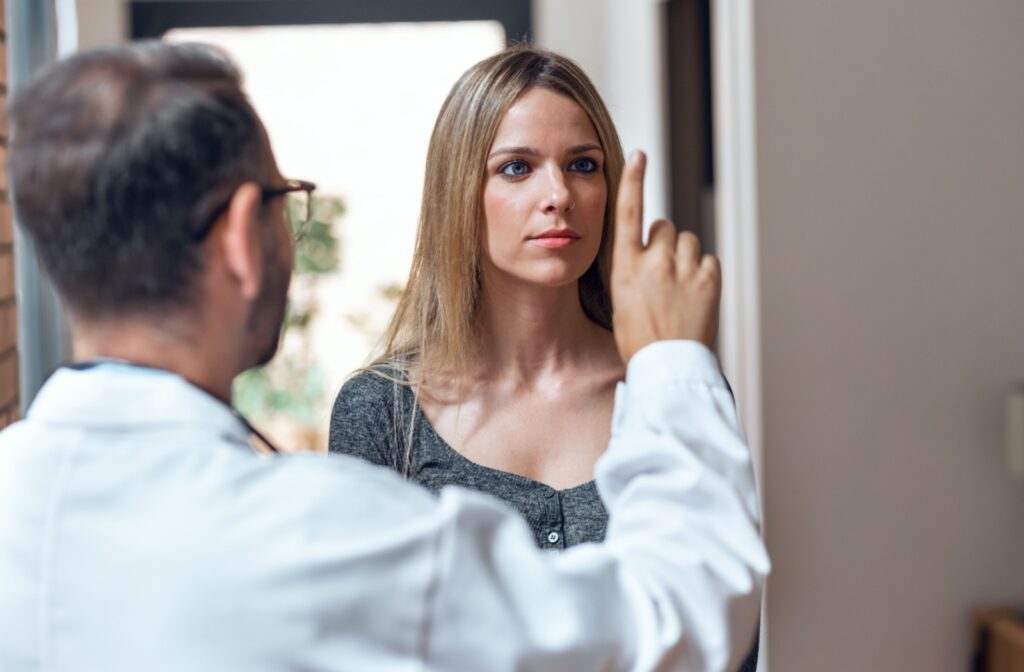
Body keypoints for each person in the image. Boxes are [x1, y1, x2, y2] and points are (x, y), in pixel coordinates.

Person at [0, 42, 768, 671]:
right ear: (242, 234)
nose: (556, 195)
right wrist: (673, 362)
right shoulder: (324, 532)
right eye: (283, 199)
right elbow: (676, 620)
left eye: (582, 164)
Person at [328, 46, 761, 670]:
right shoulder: (381, 411)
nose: (559, 194)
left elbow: (728, 635)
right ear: (459, 191)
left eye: (583, 164)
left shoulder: (670, 387)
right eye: (516, 168)